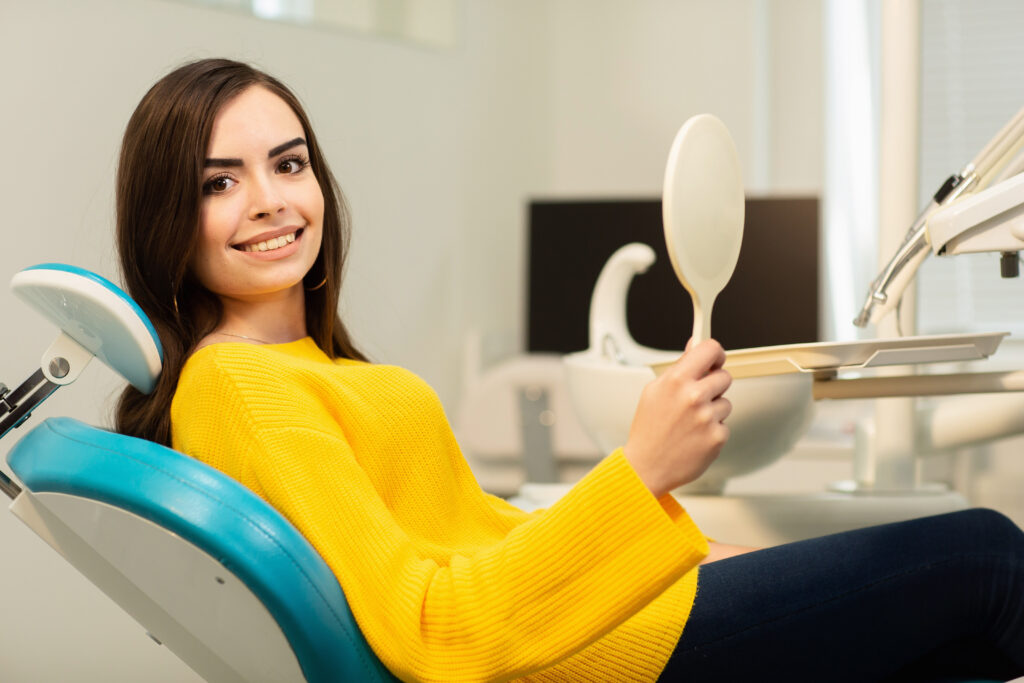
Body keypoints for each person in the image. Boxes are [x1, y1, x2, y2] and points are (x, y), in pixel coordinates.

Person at [114, 58, 1024, 682]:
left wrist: (687, 559)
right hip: (586, 654)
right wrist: (639, 471)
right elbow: (434, 625)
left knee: (965, 630)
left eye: (289, 163)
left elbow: (475, 534)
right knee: (984, 554)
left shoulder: (305, 364)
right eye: (219, 181)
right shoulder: (240, 383)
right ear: (168, 214)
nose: (271, 200)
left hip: (609, 617)